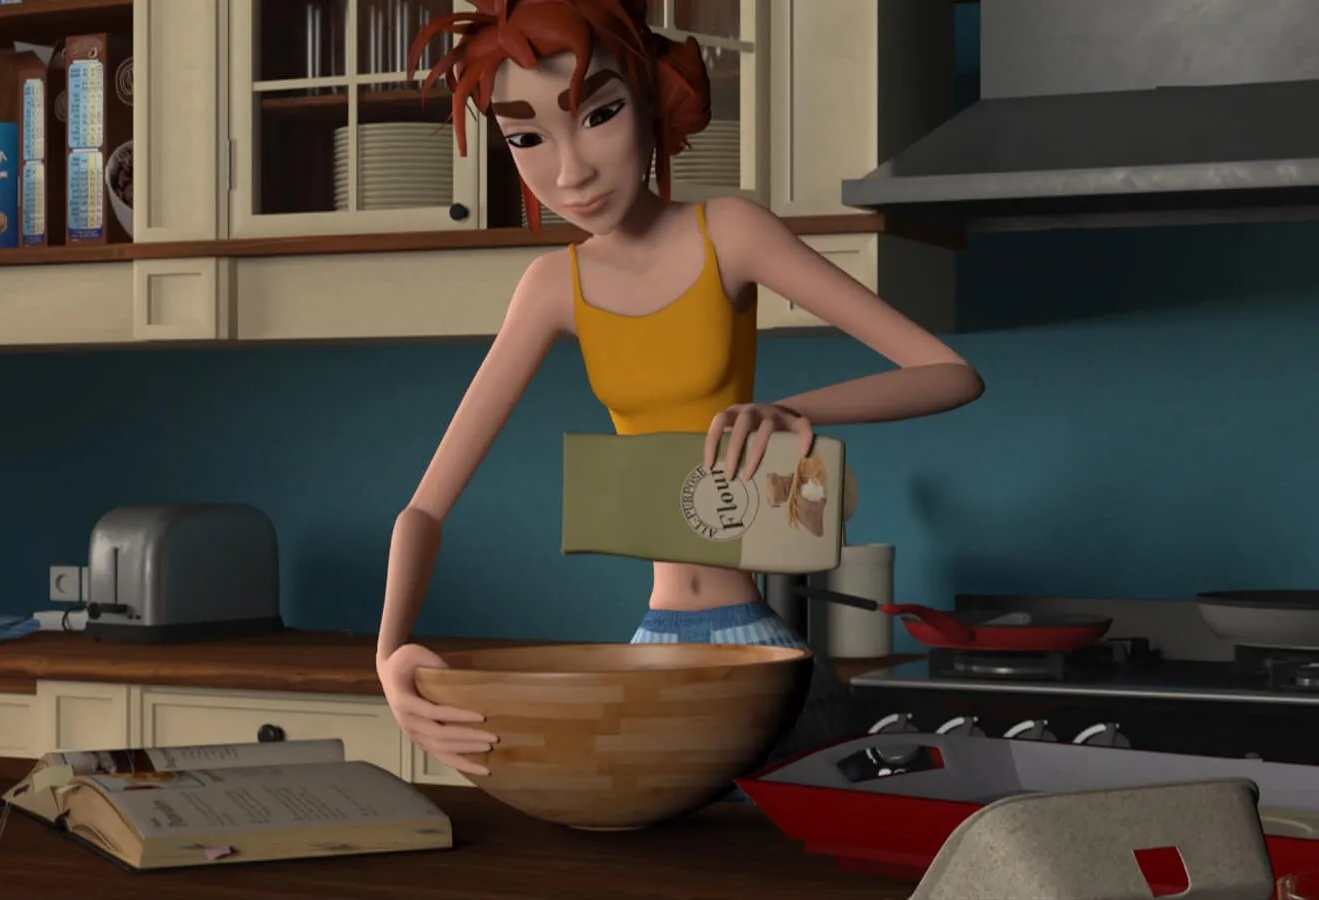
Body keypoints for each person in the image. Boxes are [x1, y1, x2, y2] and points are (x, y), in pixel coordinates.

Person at [377, 0, 984, 777]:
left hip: (764, 654)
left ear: (652, 97)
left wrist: (795, 410)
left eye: (599, 114)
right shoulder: (553, 286)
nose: (571, 171)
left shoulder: (727, 233)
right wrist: (390, 652)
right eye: (526, 137)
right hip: (657, 647)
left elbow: (948, 373)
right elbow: (425, 507)